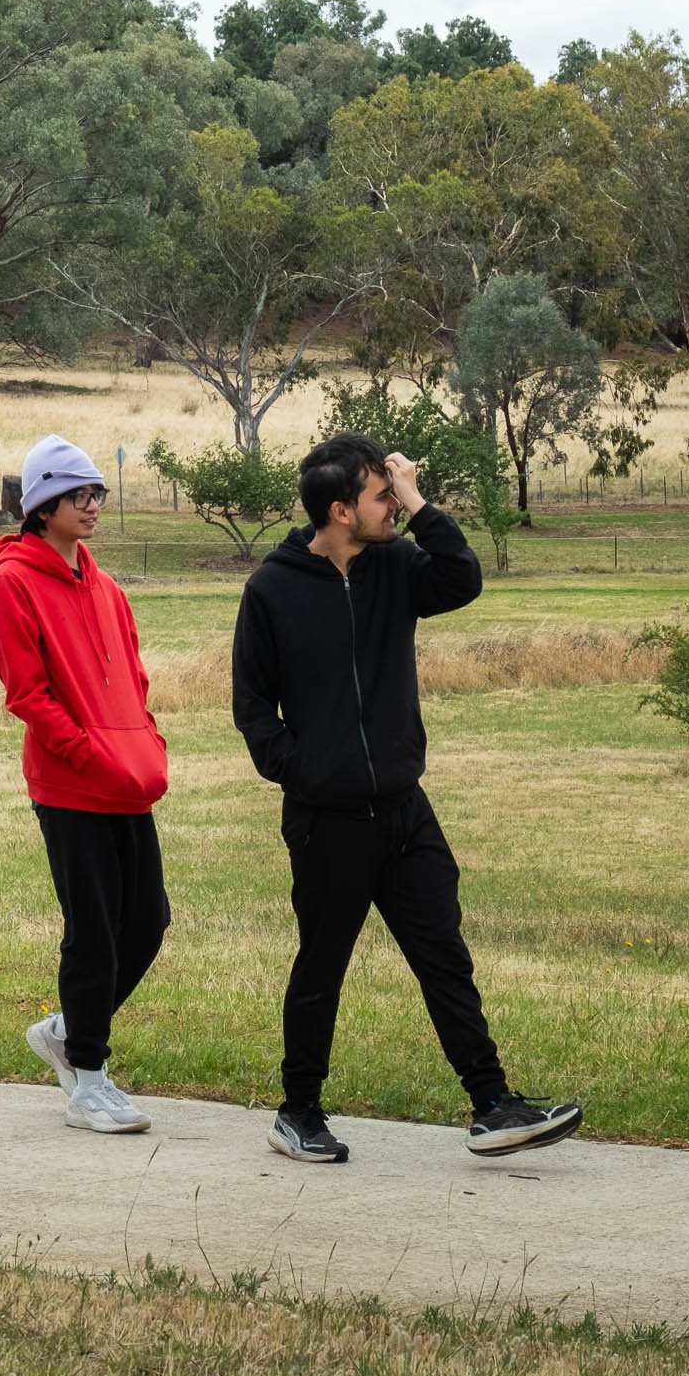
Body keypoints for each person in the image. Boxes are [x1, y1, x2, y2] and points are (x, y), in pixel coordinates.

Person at [231, 433, 582, 1163]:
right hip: (327, 819)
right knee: (321, 964)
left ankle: (492, 1104)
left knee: (442, 954)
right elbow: (254, 707)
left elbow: (461, 580)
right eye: (381, 496)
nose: (393, 505)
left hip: (402, 808)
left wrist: (419, 502)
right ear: (339, 509)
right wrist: (306, 771)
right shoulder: (273, 586)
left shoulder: (395, 564)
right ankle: (297, 1112)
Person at [0, 435, 169, 1134]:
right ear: (41, 505)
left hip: (125, 775)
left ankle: (66, 1029)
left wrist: (142, 736)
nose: (91, 506)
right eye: (77, 495)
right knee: (92, 931)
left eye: (97, 493)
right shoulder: (12, 581)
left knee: (146, 922)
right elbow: (25, 692)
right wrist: (82, 748)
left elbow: (132, 672)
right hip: (68, 783)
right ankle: (88, 1080)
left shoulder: (106, 585)